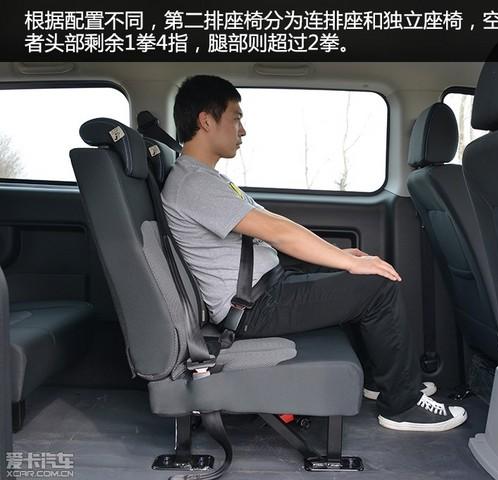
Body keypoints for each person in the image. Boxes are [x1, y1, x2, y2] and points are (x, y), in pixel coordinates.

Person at [161, 75, 467, 432]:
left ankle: (383, 379)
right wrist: (346, 261)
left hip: (264, 289)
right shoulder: (194, 184)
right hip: (253, 308)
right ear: (205, 121)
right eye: (236, 118)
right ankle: (402, 405)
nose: (242, 130)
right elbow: (278, 233)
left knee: (359, 271)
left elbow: (274, 223)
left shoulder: (207, 178)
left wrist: (345, 259)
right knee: (378, 287)